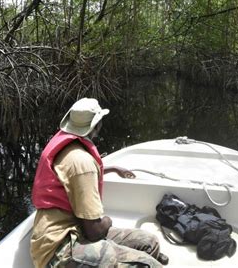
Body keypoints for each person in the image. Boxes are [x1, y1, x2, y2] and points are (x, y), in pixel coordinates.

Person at [31, 98, 169, 267]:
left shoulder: (70, 147)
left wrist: (111, 169)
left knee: (149, 243)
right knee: (149, 264)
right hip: (58, 249)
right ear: (96, 125)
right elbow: (94, 232)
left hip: (74, 230)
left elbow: (75, 175)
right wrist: (108, 220)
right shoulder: (82, 161)